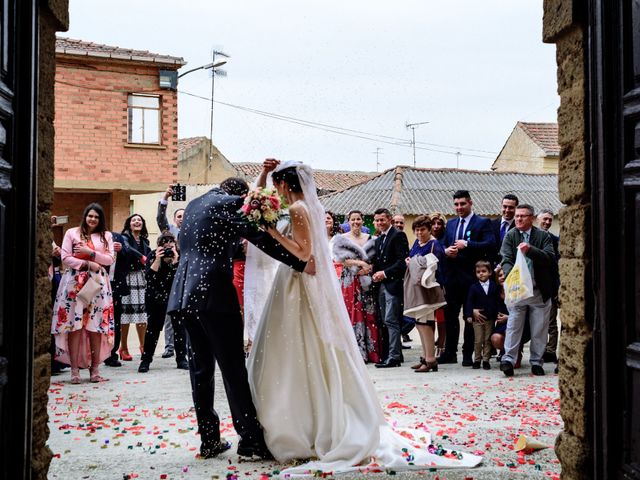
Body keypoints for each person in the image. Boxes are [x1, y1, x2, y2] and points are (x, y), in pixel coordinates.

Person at [247, 161, 481, 475]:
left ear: (287, 185)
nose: (275, 191)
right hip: (291, 285)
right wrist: (263, 181)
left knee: (298, 351)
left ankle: (304, 425)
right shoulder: (305, 207)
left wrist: (272, 231)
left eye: (277, 185)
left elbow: (304, 255)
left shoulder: (301, 209)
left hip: (297, 285)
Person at [167, 175, 309, 460]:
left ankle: (209, 441)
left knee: (201, 371)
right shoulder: (229, 204)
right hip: (213, 295)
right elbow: (259, 237)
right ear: (240, 195)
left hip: (182, 296)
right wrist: (300, 262)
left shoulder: (195, 205)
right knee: (233, 369)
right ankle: (251, 441)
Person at [51, 203, 115, 384]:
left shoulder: (106, 236)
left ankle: (94, 369)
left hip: (97, 286)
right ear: (85, 216)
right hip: (74, 285)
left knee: (96, 326)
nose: (93, 219)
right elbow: (65, 257)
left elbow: (110, 258)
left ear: (100, 219)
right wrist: (87, 264)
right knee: (74, 326)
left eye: (96, 216)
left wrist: (90, 253)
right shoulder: (72, 232)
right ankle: (74, 370)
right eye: (90, 216)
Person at [499, 204, 555, 377]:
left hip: (539, 290)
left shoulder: (543, 236)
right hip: (518, 290)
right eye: (517, 216)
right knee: (514, 325)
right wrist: (512, 277)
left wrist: (530, 250)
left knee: (539, 328)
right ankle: (508, 360)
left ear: (531, 218)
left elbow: (550, 258)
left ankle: (537, 362)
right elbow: (505, 258)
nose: (518, 219)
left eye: (523, 216)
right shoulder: (511, 235)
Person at [440, 190, 495, 366]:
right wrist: (446, 251)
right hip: (452, 278)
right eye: (456, 204)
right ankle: (450, 352)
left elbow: (490, 244)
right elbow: (442, 244)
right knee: (450, 316)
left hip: (472, 279)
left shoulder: (483, 222)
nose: (459, 207)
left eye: (462, 204)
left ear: (470, 203)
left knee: (470, 317)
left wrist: (468, 244)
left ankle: (467, 353)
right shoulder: (450, 224)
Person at [332, 210, 381, 363]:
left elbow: (376, 259)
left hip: (366, 280)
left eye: (358, 219)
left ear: (362, 221)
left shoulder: (371, 238)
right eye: (352, 219)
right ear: (348, 221)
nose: (356, 222)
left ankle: (372, 352)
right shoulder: (341, 239)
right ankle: (355, 353)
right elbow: (340, 260)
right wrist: (360, 263)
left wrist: (369, 267)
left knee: (369, 314)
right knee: (352, 314)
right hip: (349, 281)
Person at [138, 232, 187, 372]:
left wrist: (176, 259)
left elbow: (181, 277)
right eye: (164, 247)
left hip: (175, 296)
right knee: (153, 329)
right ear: (159, 247)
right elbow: (149, 277)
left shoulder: (179, 256)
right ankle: (146, 360)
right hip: (155, 297)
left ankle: (181, 359)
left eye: (170, 247)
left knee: (179, 328)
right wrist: (158, 259)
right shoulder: (153, 255)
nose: (167, 250)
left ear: (175, 246)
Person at [403, 215, 446, 373]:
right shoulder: (417, 242)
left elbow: (435, 266)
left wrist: (413, 262)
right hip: (417, 289)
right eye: (417, 230)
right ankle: (425, 356)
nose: (420, 233)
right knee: (419, 323)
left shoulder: (435, 245)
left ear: (429, 229)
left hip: (428, 289)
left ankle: (430, 360)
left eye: (423, 230)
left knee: (425, 323)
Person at [372, 208, 410, 368]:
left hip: (393, 284)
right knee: (383, 321)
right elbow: (379, 262)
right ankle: (390, 354)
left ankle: (393, 357)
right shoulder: (379, 239)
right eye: (377, 220)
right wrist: (373, 272)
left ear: (389, 220)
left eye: (382, 220)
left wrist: (385, 273)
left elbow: (402, 262)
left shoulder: (398, 235)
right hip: (381, 285)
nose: (380, 223)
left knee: (391, 320)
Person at [156, 185, 184, 359]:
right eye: (179, 216)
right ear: (175, 220)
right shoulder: (170, 231)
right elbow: (160, 219)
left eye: (185, 216)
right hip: (170, 275)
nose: (182, 218)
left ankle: (186, 346)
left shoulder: (194, 231)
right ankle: (169, 347)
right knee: (170, 312)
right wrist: (165, 197)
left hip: (188, 274)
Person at [119, 214, 151, 360]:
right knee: (125, 314)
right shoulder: (124, 237)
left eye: (139, 220)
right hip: (127, 278)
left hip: (141, 278)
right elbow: (127, 249)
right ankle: (123, 347)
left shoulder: (145, 240)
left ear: (143, 224)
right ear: (129, 224)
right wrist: (141, 257)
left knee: (142, 314)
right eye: (134, 220)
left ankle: (143, 346)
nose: (137, 222)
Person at [464, 260, 505, 370]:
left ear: (490, 272)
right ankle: (477, 360)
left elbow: (497, 302)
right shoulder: (473, 287)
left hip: (490, 318)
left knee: (487, 339)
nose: (481, 273)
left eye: (484, 271)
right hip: (477, 319)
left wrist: (498, 313)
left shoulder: (494, 286)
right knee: (478, 340)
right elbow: (469, 302)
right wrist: (469, 314)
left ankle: (486, 360)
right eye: (478, 272)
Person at [537, 208, 560, 364]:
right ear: (537, 219)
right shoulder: (529, 237)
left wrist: (558, 288)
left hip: (550, 287)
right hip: (532, 287)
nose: (547, 222)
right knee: (537, 322)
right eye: (544, 219)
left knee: (551, 321)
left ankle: (551, 351)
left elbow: (559, 266)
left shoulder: (555, 240)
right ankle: (538, 350)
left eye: (549, 220)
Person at [103, 231, 127, 368]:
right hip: (97, 283)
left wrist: (122, 250)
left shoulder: (119, 237)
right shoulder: (96, 239)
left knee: (115, 321)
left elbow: (129, 258)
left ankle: (112, 355)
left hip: (116, 286)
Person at [429, 212, 448, 354]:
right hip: (426, 284)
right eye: (433, 223)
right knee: (429, 317)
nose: (436, 226)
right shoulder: (423, 239)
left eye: (439, 223)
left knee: (440, 317)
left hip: (441, 283)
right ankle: (429, 344)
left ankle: (441, 343)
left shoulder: (446, 239)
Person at [491, 194, 519, 264]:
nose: (507, 210)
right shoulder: (490, 224)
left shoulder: (519, 228)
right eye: (505, 207)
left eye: (511, 207)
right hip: (491, 266)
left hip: (510, 266)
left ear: (516, 208)